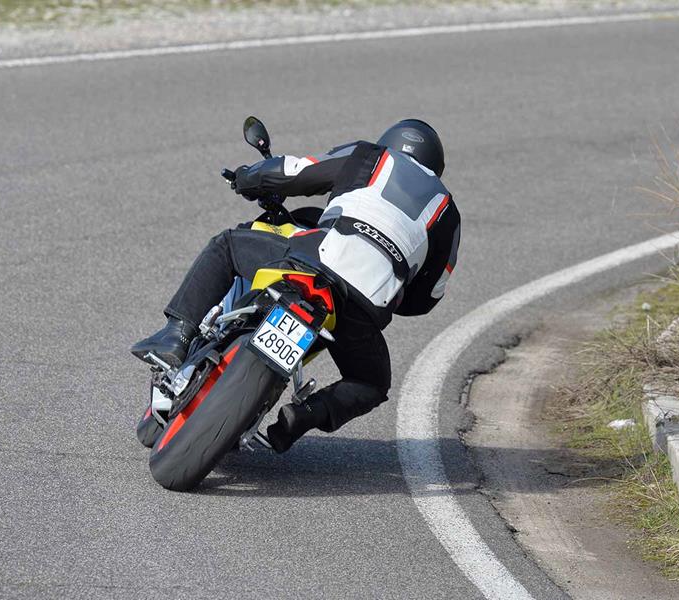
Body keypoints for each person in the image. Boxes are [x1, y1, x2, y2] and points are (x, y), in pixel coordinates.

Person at [132, 119, 461, 453]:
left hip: (319, 259)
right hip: (363, 304)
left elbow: (298, 172)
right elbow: (427, 297)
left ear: (388, 142)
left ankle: (178, 334)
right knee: (371, 383)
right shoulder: (448, 214)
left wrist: (249, 177)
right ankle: (303, 416)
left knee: (227, 246)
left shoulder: (371, 156)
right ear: (436, 167)